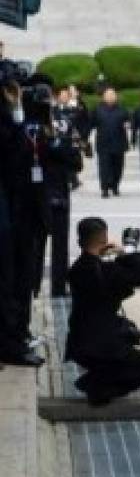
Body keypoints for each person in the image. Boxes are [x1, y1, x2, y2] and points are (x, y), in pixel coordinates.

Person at [65, 217, 140, 406]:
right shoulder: (107, 271)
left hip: (79, 344)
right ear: (104, 239)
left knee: (124, 363)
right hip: (104, 347)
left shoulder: (76, 269)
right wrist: (128, 251)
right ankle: (95, 386)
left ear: (79, 241)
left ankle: (97, 381)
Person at [0, 81, 43, 366]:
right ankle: (10, 343)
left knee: (14, 278)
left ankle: (13, 339)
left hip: (19, 207)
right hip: (9, 209)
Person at [39, 88, 84, 296]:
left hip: (38, 190)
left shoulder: (25, 121)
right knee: (58, 242)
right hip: (55, 187)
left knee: (35, 243)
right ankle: (56, 287)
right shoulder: (63, 122)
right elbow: (76, 162)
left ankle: (34, 286)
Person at [90, 86, 130, 198]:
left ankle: (115, 185)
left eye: (113, 94)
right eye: (108, 95)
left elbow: (128, 120)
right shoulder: (97, 110)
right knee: (104, 167)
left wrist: (127, 124)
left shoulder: (122, 109)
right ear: (103, 97)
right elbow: (91, 123)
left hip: (118, 143)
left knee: (118, 167)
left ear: (116, 97)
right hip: (103, 144)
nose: (110, 97)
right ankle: (104, 188)